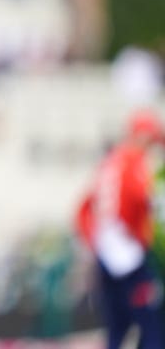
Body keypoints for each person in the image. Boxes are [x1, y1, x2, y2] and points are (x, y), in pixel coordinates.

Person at [75, 109, 165, 349]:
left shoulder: (109, 162)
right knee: (152, 327)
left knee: (117, 330)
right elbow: (140, 197)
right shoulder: (134, 160)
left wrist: (94, 243)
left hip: (106, 255)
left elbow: (83, 210)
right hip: (129, 257)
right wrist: (141, 233)